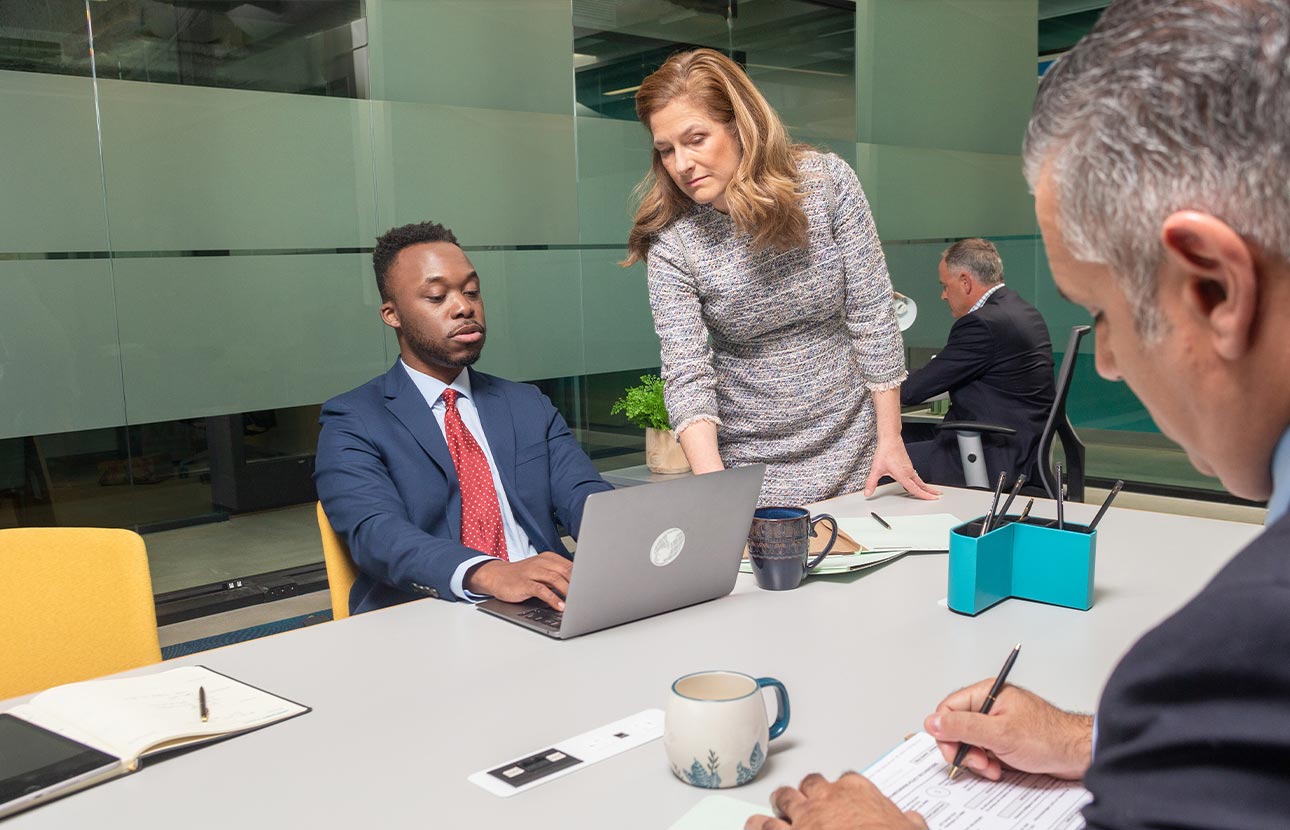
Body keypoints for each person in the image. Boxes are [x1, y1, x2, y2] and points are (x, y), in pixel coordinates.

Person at [747, 0, 1290, 827]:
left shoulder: (1243, 651)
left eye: (1099, 310)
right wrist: (1092, 737)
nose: (1105, 359)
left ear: (1213, 288)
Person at [625, 48, 938, 506]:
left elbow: (873, 314)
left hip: (855, 447)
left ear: (740, 125)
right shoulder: (673, 241)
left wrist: (890, 438)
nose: (682, 164)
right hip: (747, 462)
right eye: (666, 150)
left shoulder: (827, 182)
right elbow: (687, 373)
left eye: (696, 139)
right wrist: (717, 489)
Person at [314, 221, 612, 615]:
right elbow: (378, 534)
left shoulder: (526, 403)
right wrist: (488, 573)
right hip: (431, 611)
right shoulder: (353, 420)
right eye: (437, 297)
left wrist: (632, 536)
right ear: (392, 315)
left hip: (548, 602)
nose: (464, 307)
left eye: (471, 291)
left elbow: (582, 495)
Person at [901, 238, 1055, 486]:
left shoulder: (981, 324)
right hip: (1021, 445)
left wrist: (878, 383)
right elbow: (944, 370)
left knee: (879, 460)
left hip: (991, 452)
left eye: (944, 285)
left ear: (965, 282)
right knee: (903, 434)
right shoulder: (1022, 311)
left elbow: (913, 391)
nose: (943, 295)